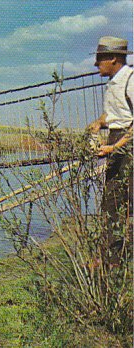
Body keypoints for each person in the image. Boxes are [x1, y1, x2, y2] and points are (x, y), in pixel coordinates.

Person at [88, 36, 133, 260]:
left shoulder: (131, 80)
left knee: (127, 200)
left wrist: (115, 147)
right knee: (112, 201)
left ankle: (117, 258)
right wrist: (99, 122)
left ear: (113, 58)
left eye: (99, 59)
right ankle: (111, 258)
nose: (96, 64)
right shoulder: (113, 82)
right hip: (117, 139)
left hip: (128, 144)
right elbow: (115, 114)